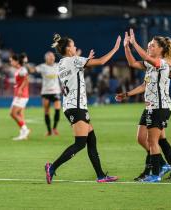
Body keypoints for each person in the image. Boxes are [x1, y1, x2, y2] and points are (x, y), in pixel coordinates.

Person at [45, 34, 121, 184]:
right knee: (80, 143)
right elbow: (102, 61)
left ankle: (100, 175)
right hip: (77, 107)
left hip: (71, 106)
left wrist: (85, 60)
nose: (75, 47)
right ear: (68, 48)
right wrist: (115, 48)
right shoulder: (74, 61)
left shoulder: (61, 63)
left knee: (91, 140)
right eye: (73, 45)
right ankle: (52, 167)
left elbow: (74, 73)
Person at [116, 29, 171, 182]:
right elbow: (134, 67)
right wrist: (126, 47)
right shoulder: (150, 65)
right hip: (151, 107)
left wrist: (134, 43)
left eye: (152, 45)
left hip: (159, 107)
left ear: (161, 49)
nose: (149, 47)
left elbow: (144, 56)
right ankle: (166, 166)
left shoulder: (163, 64)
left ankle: (155, 173)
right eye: (149, 45)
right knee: (141, 138)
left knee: (153, 141)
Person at [28, 51, 62, 136]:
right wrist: (26, 64)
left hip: (56, 91)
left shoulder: (57, 65)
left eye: (53, 56)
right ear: (46, 58)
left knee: (57, 109)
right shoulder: (42, 66)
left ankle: (54, 128)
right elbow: (32, 70)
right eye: (50, 56)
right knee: (46, 111)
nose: (52, 58)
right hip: (45, 92)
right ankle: (49, 131)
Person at [9, 53, 31, 141]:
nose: (10, 62)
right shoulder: (19, 69)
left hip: (22, 95)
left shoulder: (22, 70)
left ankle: (25, 130)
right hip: (19, 95)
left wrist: (21, 89)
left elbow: (27, 80)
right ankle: (23, 132)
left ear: (16, 61)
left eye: (11, 61)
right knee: (18, 114)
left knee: (13, 113)